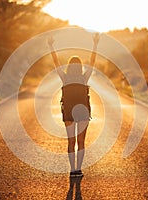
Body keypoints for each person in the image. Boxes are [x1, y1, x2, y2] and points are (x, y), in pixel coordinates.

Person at [48, 33, 100, 177]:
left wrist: (51, 46)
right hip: (81, 112)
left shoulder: (66, 77)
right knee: (80, 142)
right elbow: (93, 62)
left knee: (72, 141)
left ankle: (73, 170)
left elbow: (56, 62)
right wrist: (95, 44)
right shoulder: (83, 77)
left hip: (70, 112)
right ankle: (76, 169)